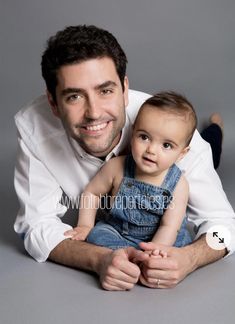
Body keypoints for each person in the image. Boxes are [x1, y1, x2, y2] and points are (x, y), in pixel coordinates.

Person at [14, 25, 235, 291]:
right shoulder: (33, 128)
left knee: (212, 148)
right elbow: (35, 226)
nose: (94, 113)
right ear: (53, 103)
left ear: (125, 88)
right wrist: (98, 259)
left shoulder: (171, 131)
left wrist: (189, 259)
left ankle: (214, 128)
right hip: (115, 230)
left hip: (189, 161)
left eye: (105, 91)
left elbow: (225, 227)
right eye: (74, 96)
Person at [64, 91, 197, 254]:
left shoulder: (178, 184)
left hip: (161, 237)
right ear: (133, 133)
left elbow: (169, 226)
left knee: (175, 248)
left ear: (182, 154)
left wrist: (153, 251)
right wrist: (85, 225)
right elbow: (92, 193)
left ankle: (215, 128)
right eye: (144, 137)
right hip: (117, 232)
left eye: (166, 145)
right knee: (96, 235)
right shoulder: (116, 167)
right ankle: (127, 255)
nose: (151, 150)